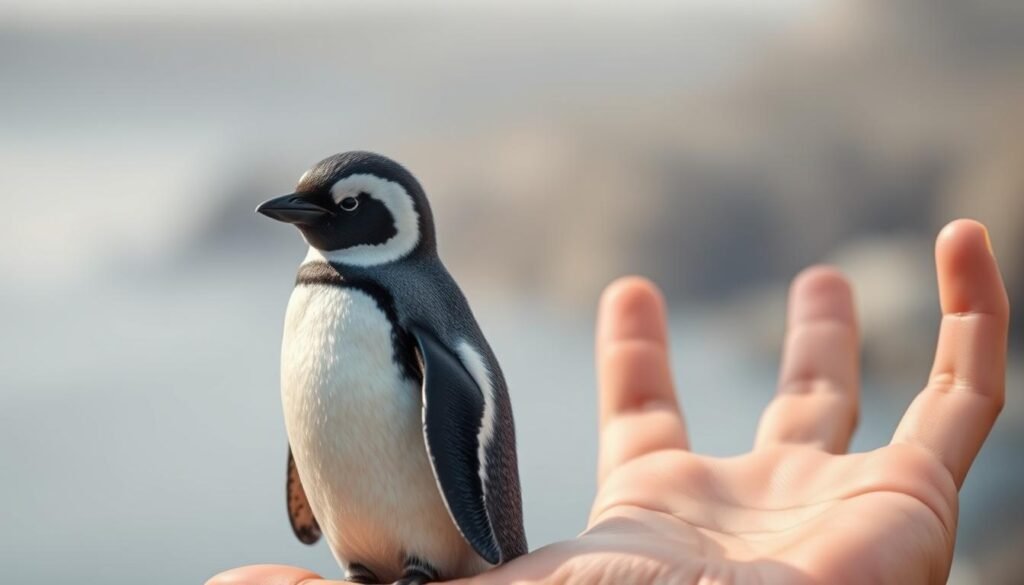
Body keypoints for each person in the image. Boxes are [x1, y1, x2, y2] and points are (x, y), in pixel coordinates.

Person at [208, 219, 1008, 585]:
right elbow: (318, 415)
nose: (309, 213)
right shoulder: (329, 304)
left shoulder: (398, 302)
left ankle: (418, 560)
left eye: (340, 206)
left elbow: (460, 399)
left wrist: (483, 545)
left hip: (449, 552)